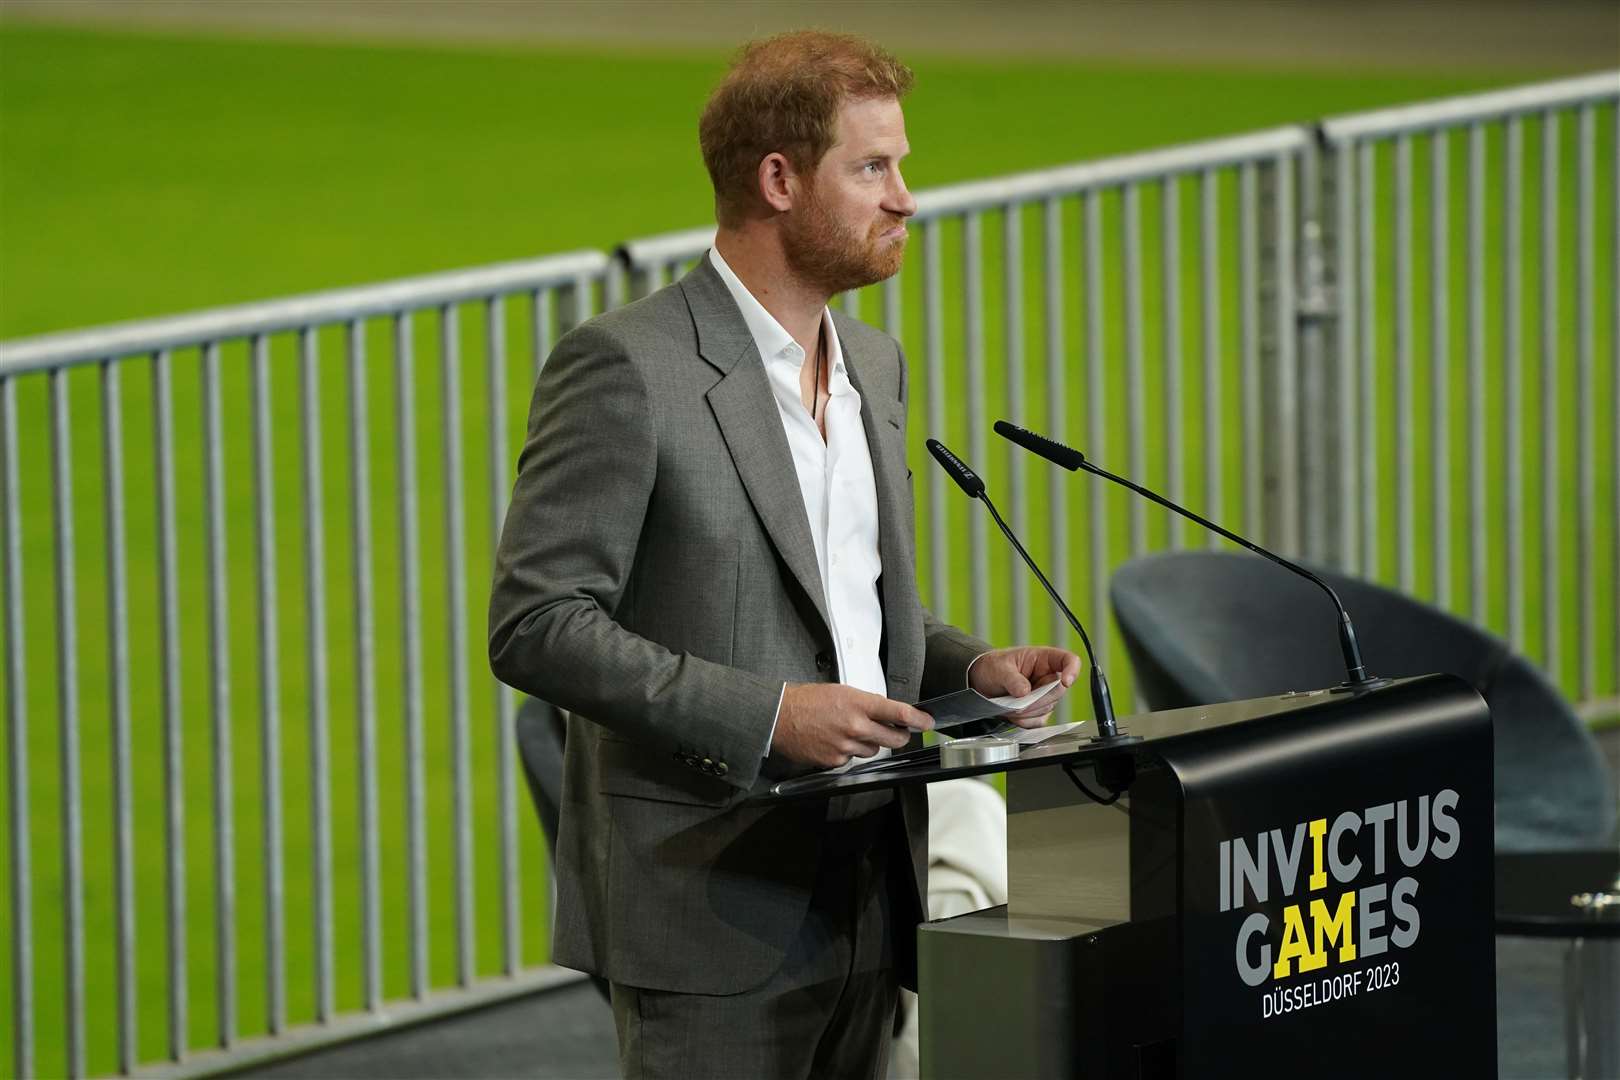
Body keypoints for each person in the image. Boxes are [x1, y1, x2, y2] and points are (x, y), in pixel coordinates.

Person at [488, 30, 1080, 1079]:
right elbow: (537, 627)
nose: (906, 198)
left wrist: (971, 669)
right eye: (872, 168)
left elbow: (845, 606)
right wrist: (769, 716)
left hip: (869, 885)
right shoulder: (629, 367)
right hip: (709, 904)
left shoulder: (875, 365)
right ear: (777, 179)